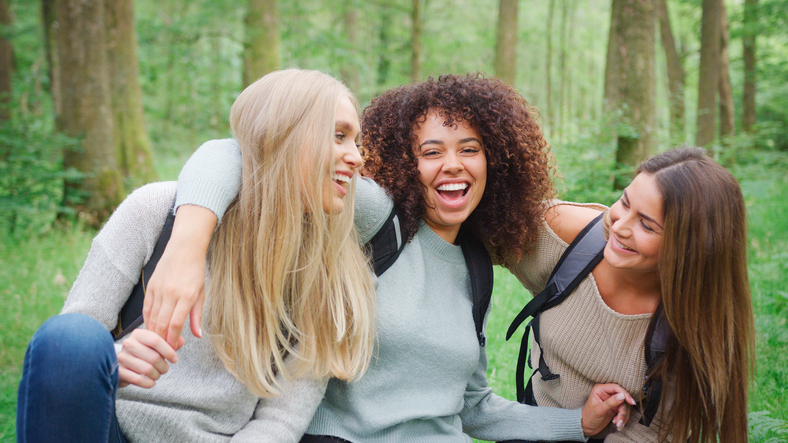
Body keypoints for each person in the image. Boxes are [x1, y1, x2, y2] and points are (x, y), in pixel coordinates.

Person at [144, 73, 636, 442]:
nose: (453, 166)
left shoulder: (476, 268)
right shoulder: (376, 218)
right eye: (431, 152)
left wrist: (577, 422)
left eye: (470, 149)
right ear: (404, 160)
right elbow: (232, 154)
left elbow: (474, 408)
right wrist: (186, 248)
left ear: (494, 161)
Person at [16, 69, 377, 443]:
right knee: (71, 339)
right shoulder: (154, 212)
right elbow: (68, 348)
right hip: (110, 428)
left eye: (355, 140)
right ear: (281, 138)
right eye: (338, 137)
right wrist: (111, 360)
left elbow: (280, 422)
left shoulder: (330, 272)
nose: (356, 157)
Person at [504, 147, 754, 442]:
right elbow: (461, 229)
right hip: (537, 424)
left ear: (689, 250)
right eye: (624, 202)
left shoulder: (698, 319)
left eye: (646, 225)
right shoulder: (566, 235)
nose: (619, 227)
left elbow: (661, 432)